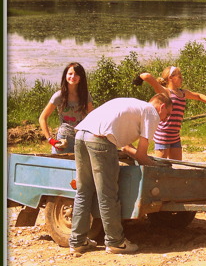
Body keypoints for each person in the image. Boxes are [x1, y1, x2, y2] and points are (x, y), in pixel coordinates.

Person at [69, 94, 172, 255]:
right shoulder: (152, 112)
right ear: (162, 107)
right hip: (100, 140)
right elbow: (142, 156)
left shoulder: (133, 104)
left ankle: (77, 241)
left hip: (81, 135)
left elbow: (125, 148)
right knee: (107, 193)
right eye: (167, 115)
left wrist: (145, 158)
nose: (165, 119)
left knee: (84, 191)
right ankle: (115, 242)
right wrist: (158, 166)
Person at [134, 66, 206, 160]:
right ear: (170, 78)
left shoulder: (183, 93)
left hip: (175, 136)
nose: (182, 79)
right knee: (160, 167)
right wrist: (138, 78)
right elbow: (147, 76)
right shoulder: (165, 92)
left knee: (177, 165)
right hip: (163, 136)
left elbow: (198, 96)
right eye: (179, 77)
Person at [39, 62, 94, 154]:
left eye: (76, 74)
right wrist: (50, 139)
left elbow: (93, 116)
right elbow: (42, 118)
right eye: (70, 73)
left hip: (81, 138)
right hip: (64, 139)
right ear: (65, 75)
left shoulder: (85, 95)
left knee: (80, 168)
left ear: (81, 77)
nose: (73, 77)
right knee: (59, 166)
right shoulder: (59, 96)